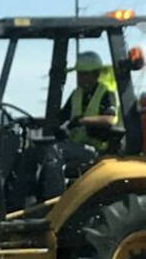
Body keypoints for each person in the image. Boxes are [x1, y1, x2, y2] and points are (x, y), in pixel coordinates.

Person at [6, 51, 119, 211]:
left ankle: (55, 205)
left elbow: (110, 120)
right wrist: (32, 121)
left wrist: (80, 121)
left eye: (84, 74)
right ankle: (17, 206)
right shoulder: (77, 94)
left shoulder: (106, 94)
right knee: (33, 151)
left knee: (54, 150)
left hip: (96, 150)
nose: (80, 78)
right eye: (79, 74)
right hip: (75, 147)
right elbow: (59, 118)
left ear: (95, 74)